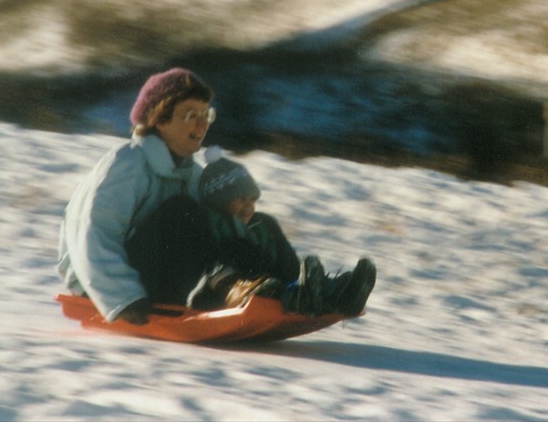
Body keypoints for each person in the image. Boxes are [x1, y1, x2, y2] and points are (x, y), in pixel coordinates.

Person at [58, 67, 223, 325]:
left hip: (158, 276)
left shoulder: (193, 174)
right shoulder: (127, 164)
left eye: (206, 114)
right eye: (191, 115)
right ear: (160, 119)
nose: (202, 124)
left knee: (233, 217)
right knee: (182, 211)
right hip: (106, 286)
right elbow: (92, 234)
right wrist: (125, 298)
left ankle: (266, 289)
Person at [193, 146, 377, 317]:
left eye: (252, 200)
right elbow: (213, 270)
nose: (249, 207)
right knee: (266, 289)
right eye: (241, 200)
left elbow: (289, 268)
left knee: (283, 287)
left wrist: (290, 272)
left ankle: (340, 295)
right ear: (219, 200)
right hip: (220, 297)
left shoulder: (261, 225)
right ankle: (302, 299)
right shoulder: (209, 225)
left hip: (267, 287)